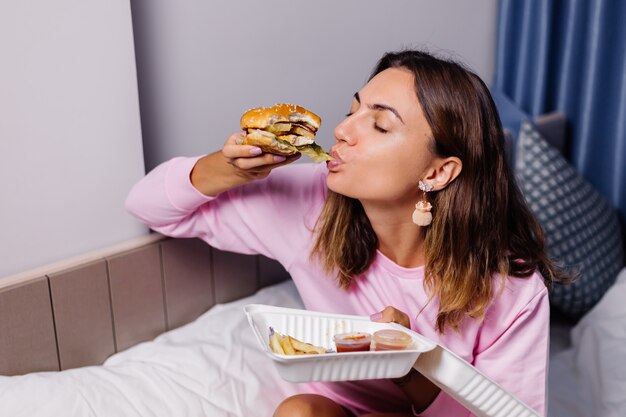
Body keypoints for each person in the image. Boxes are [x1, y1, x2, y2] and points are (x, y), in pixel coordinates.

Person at [126, 49, 569, 417]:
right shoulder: (310, 204)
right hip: (343, 412)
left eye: (379, 124)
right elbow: (148, 207)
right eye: (351, 110)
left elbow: (511, 414)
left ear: (438, 171)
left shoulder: (511, 287)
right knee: (299, 411)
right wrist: (229, 166)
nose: (341, 130)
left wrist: (408, 364)